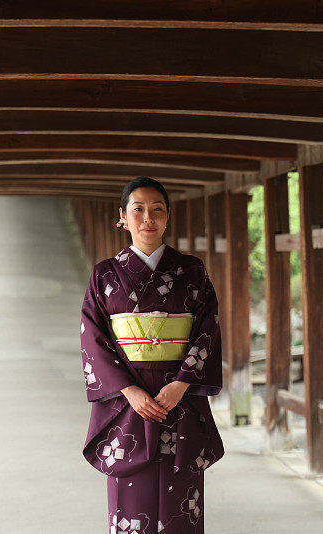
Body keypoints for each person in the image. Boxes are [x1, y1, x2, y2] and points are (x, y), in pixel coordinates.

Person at [80, 176, 224, 534]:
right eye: (138, 209)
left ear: (167, 217)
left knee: (181, 504)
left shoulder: (192, 271)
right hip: (129, 404)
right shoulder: (105, 274)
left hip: (180, 399)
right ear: (123, 217)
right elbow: (93, 340)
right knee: (131, 497)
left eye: (157, 209)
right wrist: (129, 391)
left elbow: (207, 329)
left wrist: (181, 384)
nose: (148, 217)